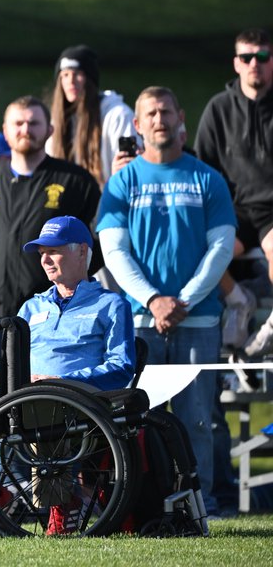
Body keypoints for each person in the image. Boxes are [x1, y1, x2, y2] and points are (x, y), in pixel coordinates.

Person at [0, 216, 135, 532]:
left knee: (44, 403)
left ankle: (60, 503)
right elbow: (5, 363)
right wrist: (15, 381)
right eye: (41, 252)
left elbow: (121, 368)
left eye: (54, 251)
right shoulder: (31, 307)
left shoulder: (110, 304)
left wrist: (63, 383)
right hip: (20, 395)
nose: (45, 259)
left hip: (72, 400)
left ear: (82, 251)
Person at [98, 86, 236, 516]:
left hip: (198, 321)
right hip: (140, 321)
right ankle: (144, 506)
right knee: (138, 422)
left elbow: (221, 248)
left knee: (198, 420)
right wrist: (154, 299)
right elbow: (114, 249)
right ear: (137, 126)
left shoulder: (207, 178)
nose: (160, 120)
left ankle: (202, 505)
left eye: (166, 112)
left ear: (182, 121)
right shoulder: (123, 182)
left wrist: (184, 302)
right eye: (150, 114)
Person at [0, 96, 102, 361]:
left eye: (34, 123)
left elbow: (97, 241)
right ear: (5, 131)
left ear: (49, 130)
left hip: (55, 311)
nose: (26, 130)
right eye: (18, 123)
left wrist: (69, 286)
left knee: (47, 388)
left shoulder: (75, 181)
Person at [194, 28, 273, 356]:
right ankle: (238, 302)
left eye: (263, 56)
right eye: (247, 57)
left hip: (272, 215)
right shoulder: (218, 109)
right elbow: (203, 171)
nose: (255, 63)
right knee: (196, 244)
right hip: (233, 211)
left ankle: (270, 328)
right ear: (236, 63)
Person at [46, 45, 137, 187]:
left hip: (109, 202)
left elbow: (129, 162)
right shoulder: (56, 122)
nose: (71, 81)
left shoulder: (120, 115)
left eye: (77, 74)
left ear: (90, 79)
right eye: (65, 75)